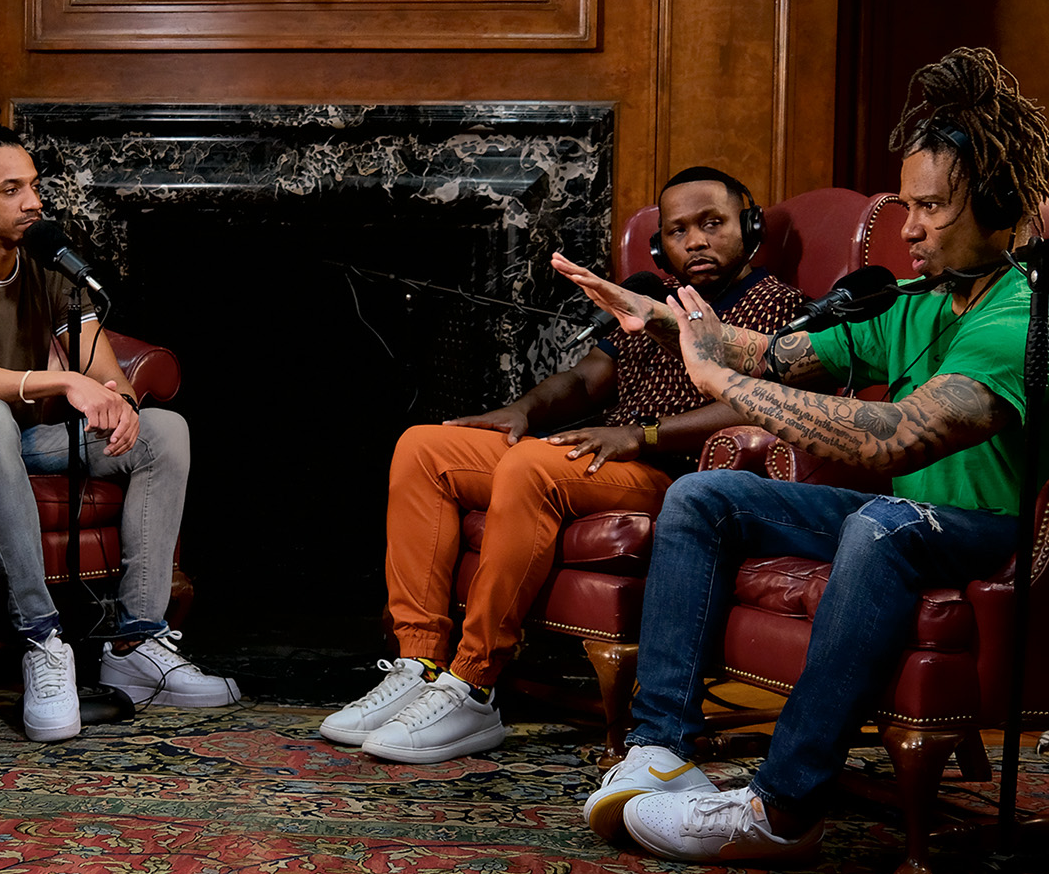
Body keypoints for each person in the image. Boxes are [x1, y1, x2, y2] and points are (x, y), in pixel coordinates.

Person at [556, 47, 1049, 863]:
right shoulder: (919, 300)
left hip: (1005, 531)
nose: (906, 229)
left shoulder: (1037, 322)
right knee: (705, 497)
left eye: (932, 208)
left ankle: (783, 807)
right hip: (911, 520)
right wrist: (663, 317)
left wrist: (713, 378)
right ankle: (663, 748)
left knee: (881, 522)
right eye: (905, 206)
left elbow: (902, 434)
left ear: (998, 205)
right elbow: (775, 354)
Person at [320, 168, 804, 764]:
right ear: (660, 247)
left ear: (747, 227)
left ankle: (474, 684)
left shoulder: (778, 305)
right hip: (609, 453)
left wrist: (639, 433)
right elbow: (584, 379)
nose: (695, 241)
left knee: (532, 466)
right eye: (678, 230)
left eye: (712, 223)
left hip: (678, 476)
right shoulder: (648, 300)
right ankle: (420, 662)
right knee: (425, 448)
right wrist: (522, 409)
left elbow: (759, 402)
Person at [0, 99, 240, 744]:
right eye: (11, 189)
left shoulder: (45, 267)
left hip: (17, 441)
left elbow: (105, 373)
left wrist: (118, 402)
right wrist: (61, 380)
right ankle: (42, 642)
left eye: (35, 186)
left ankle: (135, 646)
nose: (33, 202)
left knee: (164, 431)